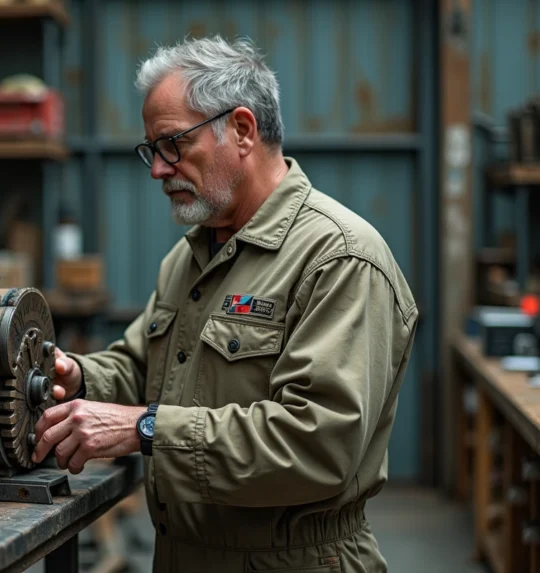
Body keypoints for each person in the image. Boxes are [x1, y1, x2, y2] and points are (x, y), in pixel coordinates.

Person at [31, 35, 418, 573]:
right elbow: (142, 367)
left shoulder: (339, 258)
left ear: (241, 130)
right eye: (151, 150)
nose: (157, 170)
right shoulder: (192, 257)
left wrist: (144, 428)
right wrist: (77, 378)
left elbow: (317, 446)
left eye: (172, 144)